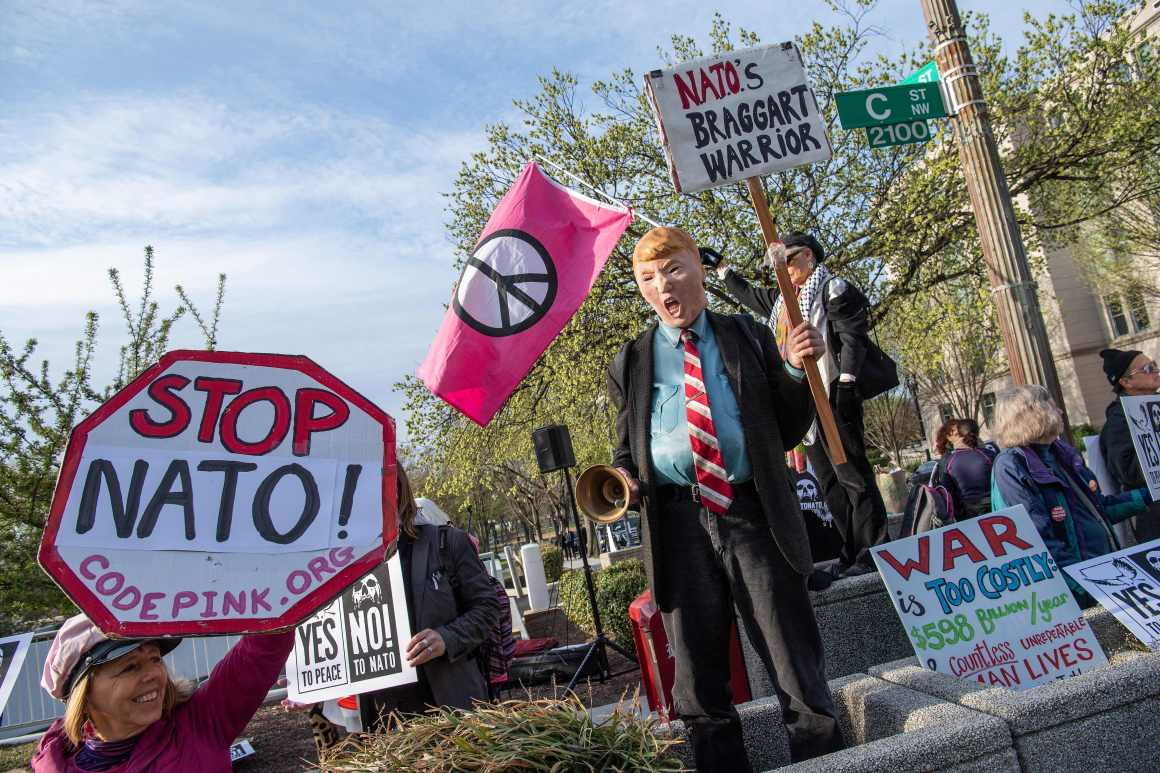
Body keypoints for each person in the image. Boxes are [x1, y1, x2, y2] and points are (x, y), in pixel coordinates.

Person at [607, 226, 843, 770]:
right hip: (677, 523)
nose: (661, 285)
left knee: (793, 663)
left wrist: (793, 368)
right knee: (696, 683)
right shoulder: (632, 360)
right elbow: (626, 448)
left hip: (751, 512)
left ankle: (823, 761)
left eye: (673, 270)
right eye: (647, 277)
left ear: (700, 271)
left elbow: (784, 428)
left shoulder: (747, 335)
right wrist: (625, 479)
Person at [716, 232, 896, 575]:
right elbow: (751, 296)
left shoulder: (832, 290)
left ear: (809, 257)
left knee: (853, 476)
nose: (781, 269)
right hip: (807, 407)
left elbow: (852, 338)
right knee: (828, 482)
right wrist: (723, 269)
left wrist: (848, 382)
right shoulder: (787, 301)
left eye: (788, 260)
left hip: (834, 394)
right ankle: (851, 548)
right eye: (777, 265)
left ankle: (874, 549)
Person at [32, 614, 292, 771]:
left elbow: (263, 648)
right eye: (130, 667)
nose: (153, 675)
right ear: (85, 694)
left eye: (155, 659)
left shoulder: (198, 725)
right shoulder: (54, 764)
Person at [358, 464, 502, 731]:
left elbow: (488, 607)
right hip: (385, 726)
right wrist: (312, 686)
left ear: (397, 489)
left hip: (451, 712)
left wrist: (446, 638)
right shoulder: (337, 567)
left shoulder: (448, 542)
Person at [990, 385, 1154, 604]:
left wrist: (1148, 495)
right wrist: (1080, 586)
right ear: (1033, 413)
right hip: (1075, 592)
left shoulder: (1062, 454)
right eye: (1053, 406)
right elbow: (1033, 538)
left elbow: (1098, 510)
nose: (1061, 412)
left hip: (1103, 578)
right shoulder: (1011, 465)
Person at [1097, 348, 1160, 543]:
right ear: (1125, 382)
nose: (1156, 371)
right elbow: (1126, 470)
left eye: (1154, 365)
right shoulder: (1119, 419)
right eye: (1147, 368)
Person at [935, 418, 997, 518]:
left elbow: (947, 494)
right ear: (977, 433)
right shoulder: (989, 455)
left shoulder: (949, 461)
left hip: (968, 514)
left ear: (959, 434)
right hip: (995, 508)